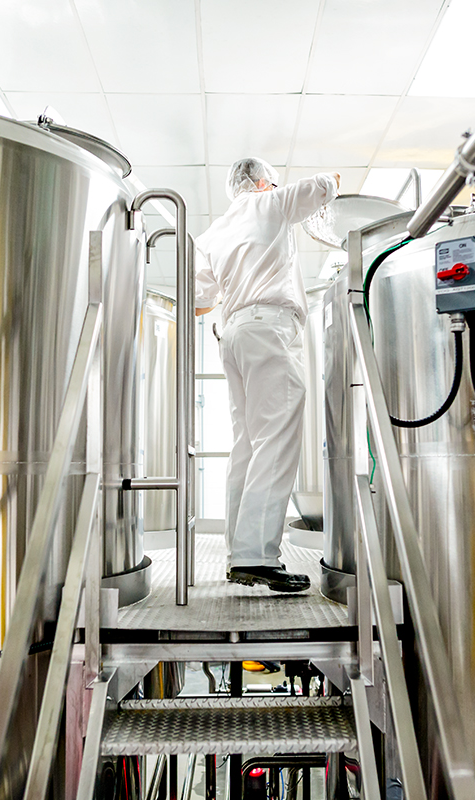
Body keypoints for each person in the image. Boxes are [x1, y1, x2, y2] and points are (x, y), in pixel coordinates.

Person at [193, 157, 340, 593]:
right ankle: (257, 555)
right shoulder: (269, 201)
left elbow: (201, 300)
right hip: (269, 327)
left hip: (232, 332)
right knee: (276, 437)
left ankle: (239, 552)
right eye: (271, 182)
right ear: (261, 182)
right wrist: (332, 178)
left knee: (247, 443)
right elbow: (322, 182)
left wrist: (239, 278)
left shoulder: (214, 232)